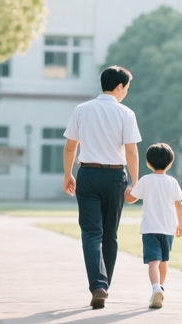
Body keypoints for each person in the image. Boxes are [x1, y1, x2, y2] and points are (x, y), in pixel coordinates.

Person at [62, 66, 141, 309]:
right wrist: (136, 184)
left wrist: (68, 175)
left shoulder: (82, 109)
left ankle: (98, 285)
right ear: (119, 86)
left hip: (86, 175)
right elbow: (131, 150)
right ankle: (104, 285)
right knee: (110, 234)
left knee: (91, 233)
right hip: (115, 177)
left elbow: (69, 147)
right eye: (126, 87)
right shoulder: (126, 113)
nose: (126, 92)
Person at [124, 143, 182, 309]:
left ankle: (155, 287)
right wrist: (180, 224)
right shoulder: (172, 182)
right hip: (168, 230)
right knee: (163, 261)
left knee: (153, 262)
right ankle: (160, 288)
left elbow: (130, 199)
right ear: (170, 163)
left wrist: (127, 192)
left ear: (148, 163)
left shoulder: (145, 180)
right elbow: (179, 204)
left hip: (150, 229)